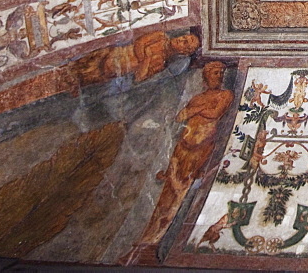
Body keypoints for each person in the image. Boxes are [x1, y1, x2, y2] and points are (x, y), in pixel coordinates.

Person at [131, 62, 234, 249]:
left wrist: (194, 111)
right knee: (167, 192)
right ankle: (149, 237)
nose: (218, 76)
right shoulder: (198, 98)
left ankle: (163, 239)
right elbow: (180, 117)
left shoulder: (225, 95)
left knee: (182, 193)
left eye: (221, 73)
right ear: (205, 76)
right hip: (183, 146)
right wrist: (195, 110)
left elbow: (214, 113)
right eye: (214, 73)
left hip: (200, 147)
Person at [73, 30, 201, 87]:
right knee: (76, 66)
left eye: (185, 43)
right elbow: (140, 43)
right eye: (184, 37)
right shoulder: (161, 36)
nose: (181, 39)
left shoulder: (161, 64)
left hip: (111, 71)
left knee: (78, 80)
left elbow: (139, 77)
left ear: (184, 52)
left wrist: (146, 59)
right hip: (109, 54)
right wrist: (145, 58)